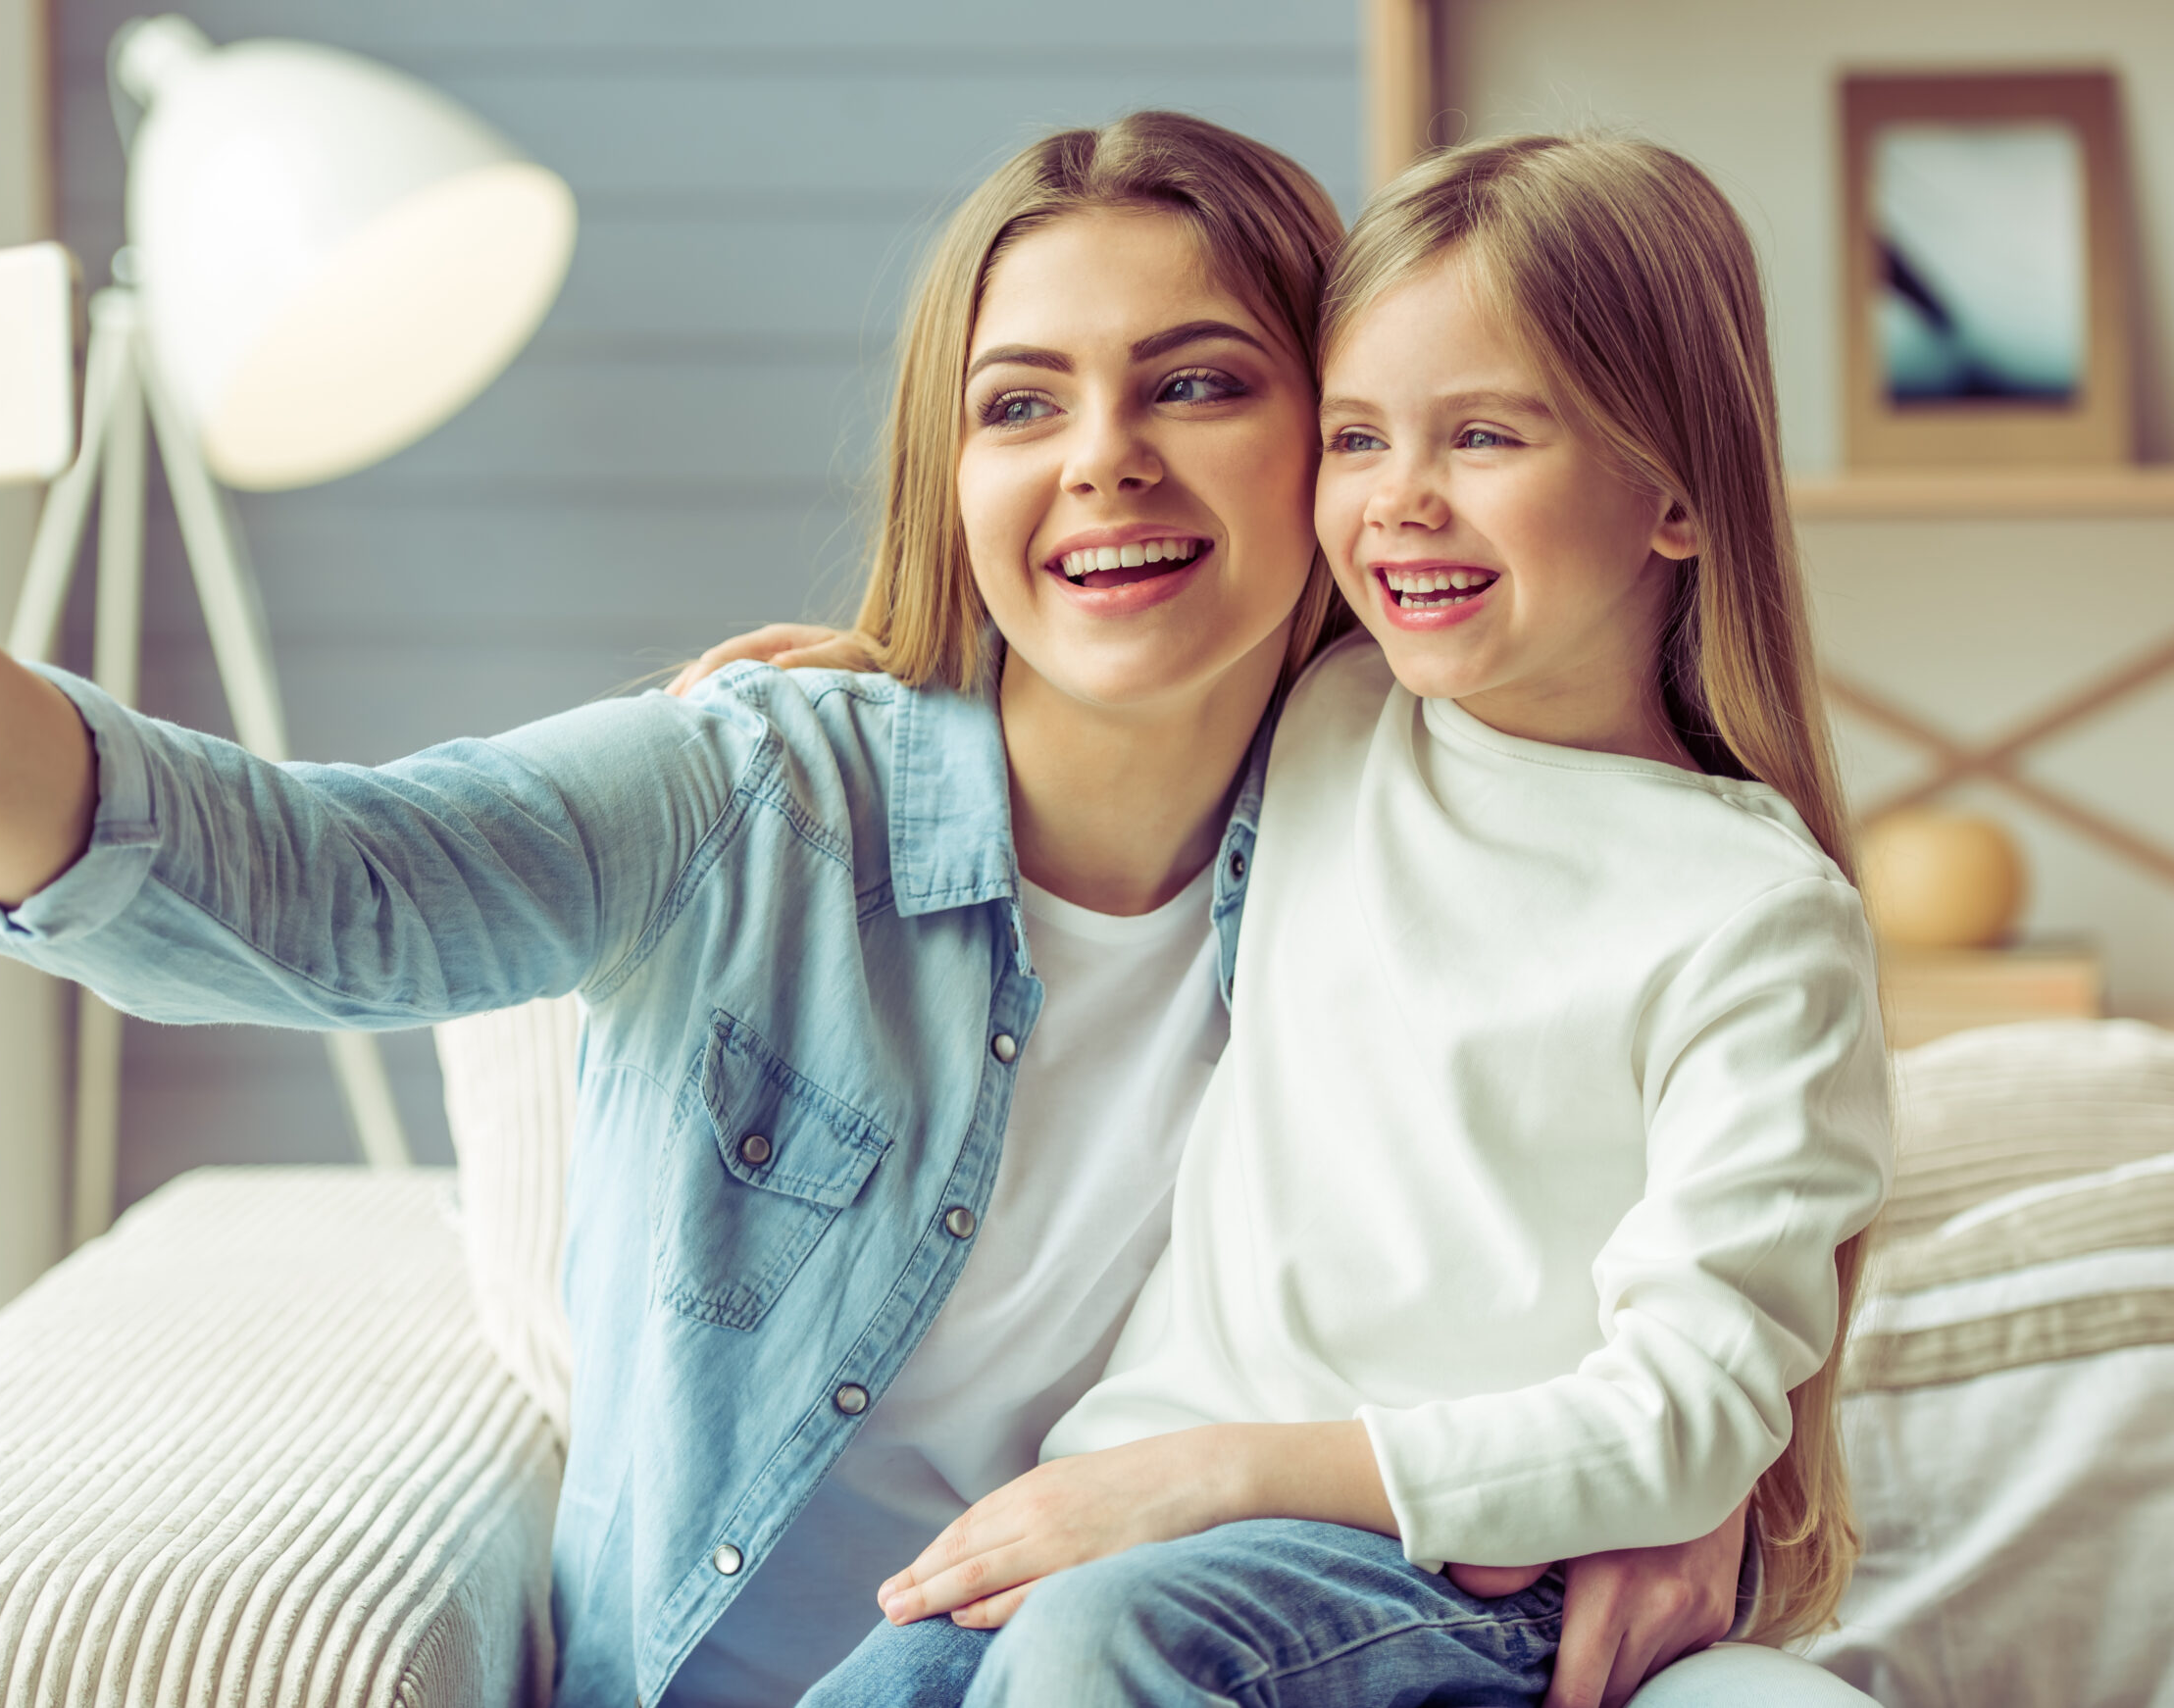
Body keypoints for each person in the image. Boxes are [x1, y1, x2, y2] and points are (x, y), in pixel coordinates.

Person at [0, 115, 1830, 1707]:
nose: (1101, 456)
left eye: (1198, 382)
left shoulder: (1400, 767)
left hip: (1230, 1620)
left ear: (1311, 447)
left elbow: (1641, 1078)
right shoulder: (752, 795)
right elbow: (305, 884)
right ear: (951, 463)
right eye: (1020, 402)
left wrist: (1684, 1481)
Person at [781, 133, 1890, 1706]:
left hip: (1424, 1569)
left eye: (1487, 434)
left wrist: (1228, 1475)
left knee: (1112, 1642)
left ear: (1679, 497)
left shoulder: (1755, 916)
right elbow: (1114, 614)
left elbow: (1689, 1415)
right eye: (1358, 436)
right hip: (1120, 1520)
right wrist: (861, 667)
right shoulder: (1330, 710)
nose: (1401, 503)